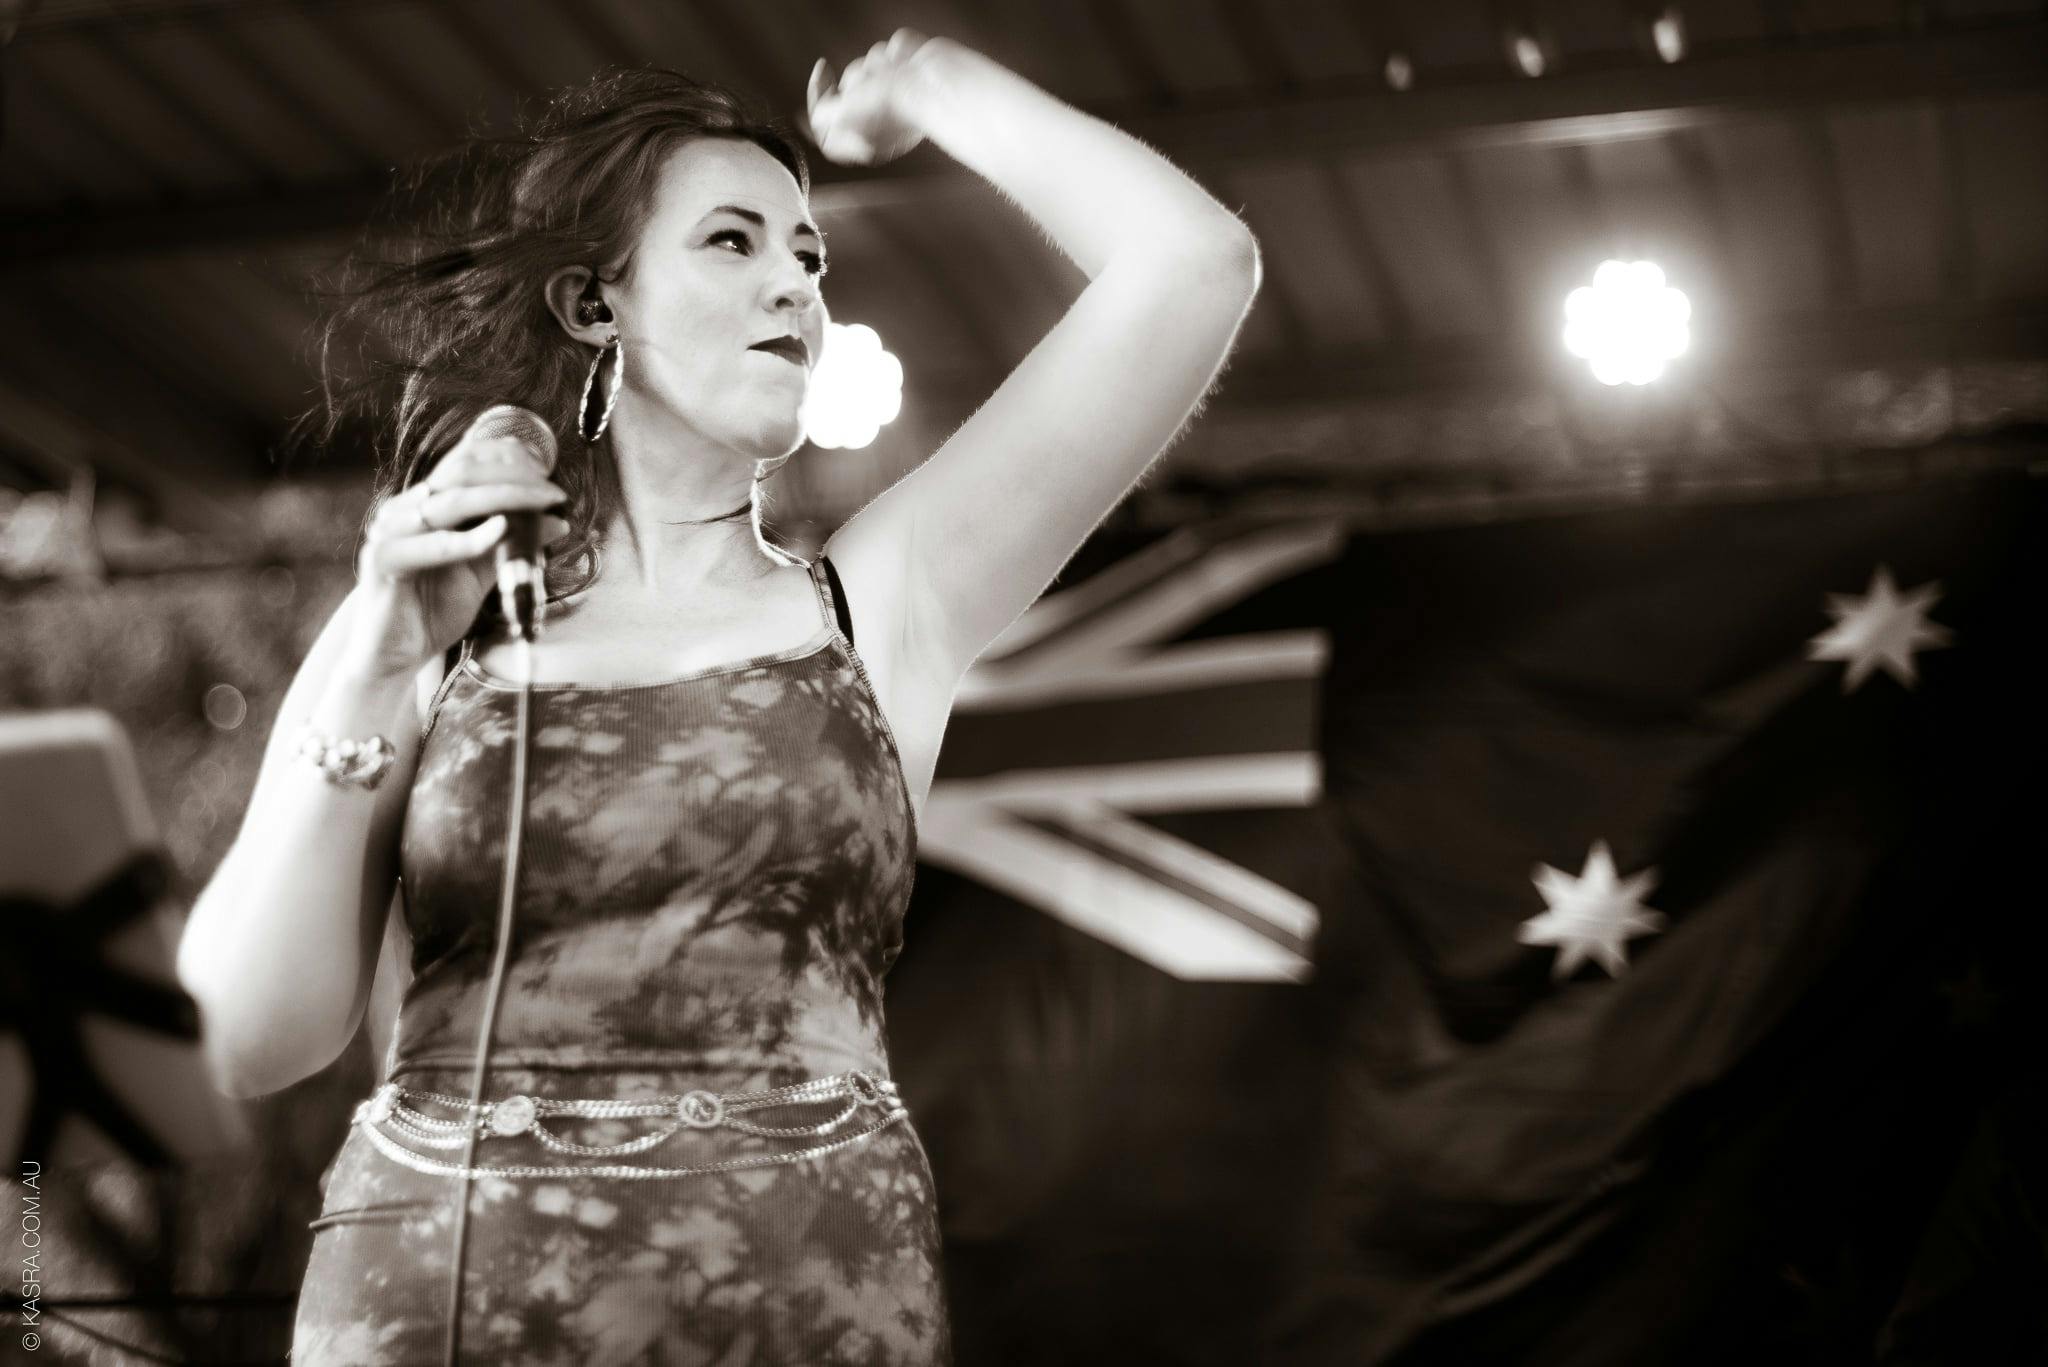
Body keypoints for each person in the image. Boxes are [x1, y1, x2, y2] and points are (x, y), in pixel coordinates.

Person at [176, 28, 1259, 1365]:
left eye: (811, 255)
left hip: (805, 1304)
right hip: (437, 1301)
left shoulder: (882, 598)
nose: (797, 287)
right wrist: (379, 659)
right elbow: (244, 1037)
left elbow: (1193, 267)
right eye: (734, 243)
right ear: (595, 304)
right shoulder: (435, 622)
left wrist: (928, 82)